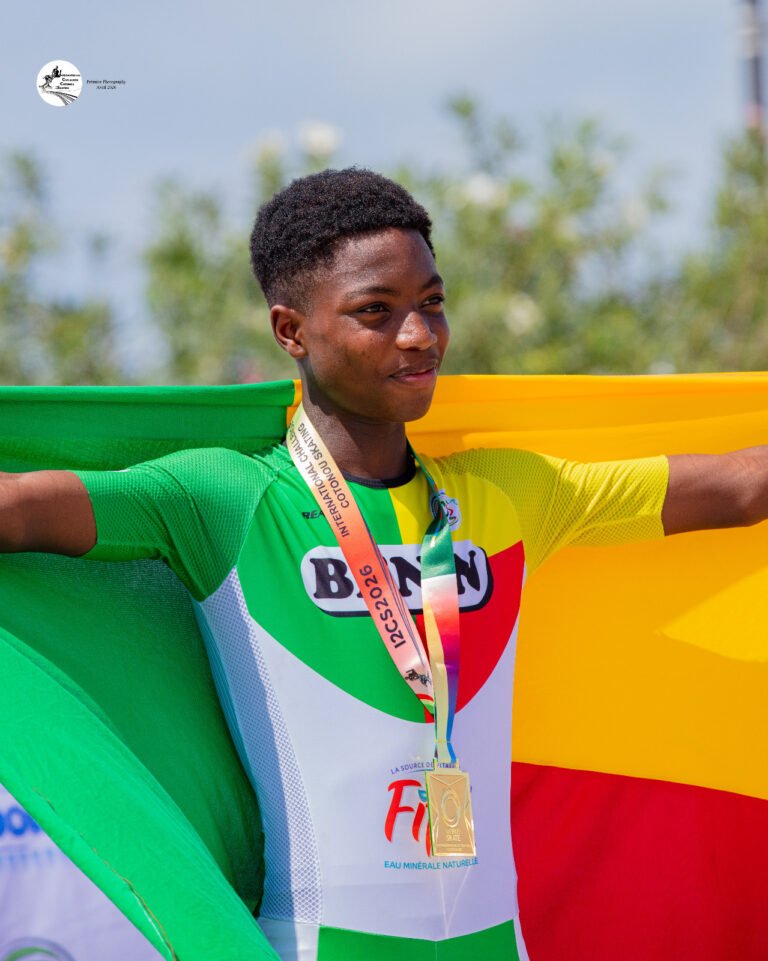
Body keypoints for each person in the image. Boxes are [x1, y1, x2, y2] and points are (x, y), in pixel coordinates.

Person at [0, 167, 765, 961]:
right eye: (377, 311)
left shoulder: (510, 492)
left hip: (496, 943)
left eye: (432, 303)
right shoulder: (225, 498)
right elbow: (18, 505)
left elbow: (741, 490)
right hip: (320, 943)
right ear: (292, 331)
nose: (419, 335)